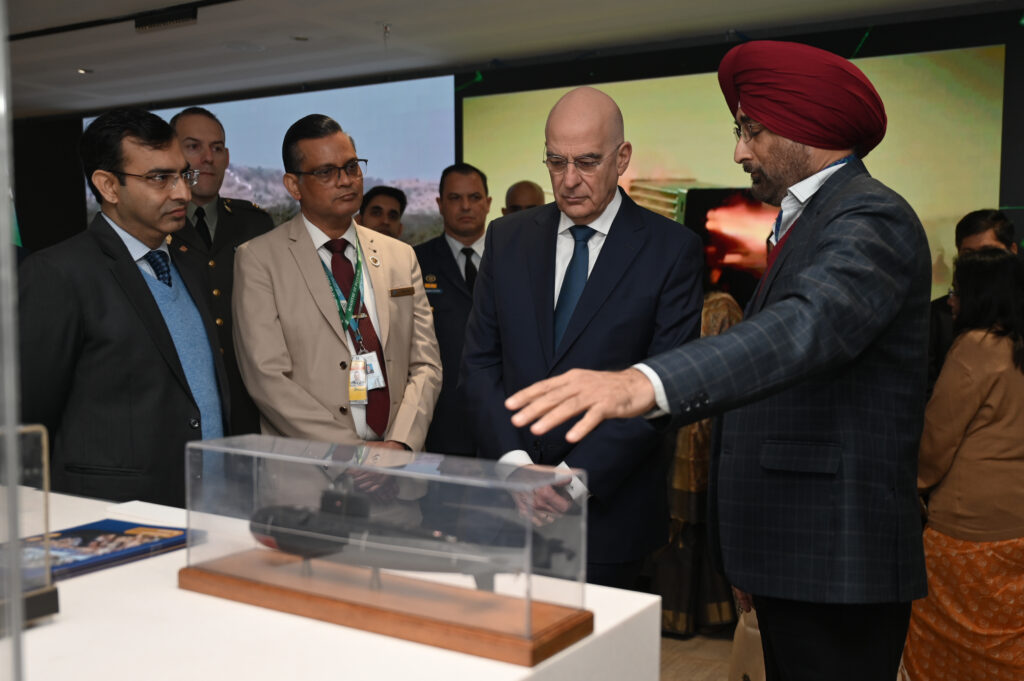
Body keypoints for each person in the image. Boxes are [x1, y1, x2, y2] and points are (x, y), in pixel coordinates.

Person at [506, 41, 931, 680]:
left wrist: (644, 382)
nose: (739, 152)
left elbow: (803, 328)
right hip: (795, 554)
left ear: (806, 129)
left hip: (835, 558)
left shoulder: (871, 216)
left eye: (751, 131)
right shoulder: (810, 220)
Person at [461, 86, 704, 589]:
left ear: (622, 158)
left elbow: (664, 386)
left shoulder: (671, 251)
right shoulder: (507, 239)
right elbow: (480, 364)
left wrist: (571, 481)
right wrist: (516, 467)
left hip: (609, 521)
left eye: (587, 162)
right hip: (504, 512)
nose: (568, 180)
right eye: (556, 162)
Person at [19, 107, 229, 506]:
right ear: (109, 186)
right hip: (116, 512)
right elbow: (27, 421)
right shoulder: (59, 274)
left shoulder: (190, 263)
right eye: (159, 179)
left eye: (182, 175)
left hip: (212, 503)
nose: (183, 193)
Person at [232, 114, 441, 452]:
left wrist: (402, 443)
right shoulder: (259, 259)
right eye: (326, 172)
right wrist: (351, 453)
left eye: (352, 167)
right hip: (311, 468)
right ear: (293, 185)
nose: (346, 181)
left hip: (398, 462)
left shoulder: (400, 256)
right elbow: (266, 378)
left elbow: (426, 363)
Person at [902, 247, 1024, 681]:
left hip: (968, 530)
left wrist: (909, 486)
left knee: (947, 652)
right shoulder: (1016, 346)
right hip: (1017, 528)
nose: (951, 301)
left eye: (956, 291)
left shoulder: (975, 347)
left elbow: (937, 442)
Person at [169, 106, 274, 435]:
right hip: (183, 399)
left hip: (250, 397)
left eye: (217, 148)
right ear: (171, 153)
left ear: (227, 157)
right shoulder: (157, 226)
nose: (208, 158)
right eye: (193, 147)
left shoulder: (254, 223)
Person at [414, 163, 491, 456]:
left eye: (474, 197)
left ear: (488, 203)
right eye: (455, 198)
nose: (466, 206)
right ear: (440, 204)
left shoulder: (514, 257)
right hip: (438, 418)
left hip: (504, 413)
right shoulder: (415, 261)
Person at [927, 209, 1017, 392]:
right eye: (969, 255)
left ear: (1012, 251)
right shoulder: (937, 316)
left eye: (988, 253)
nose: (978, 264)